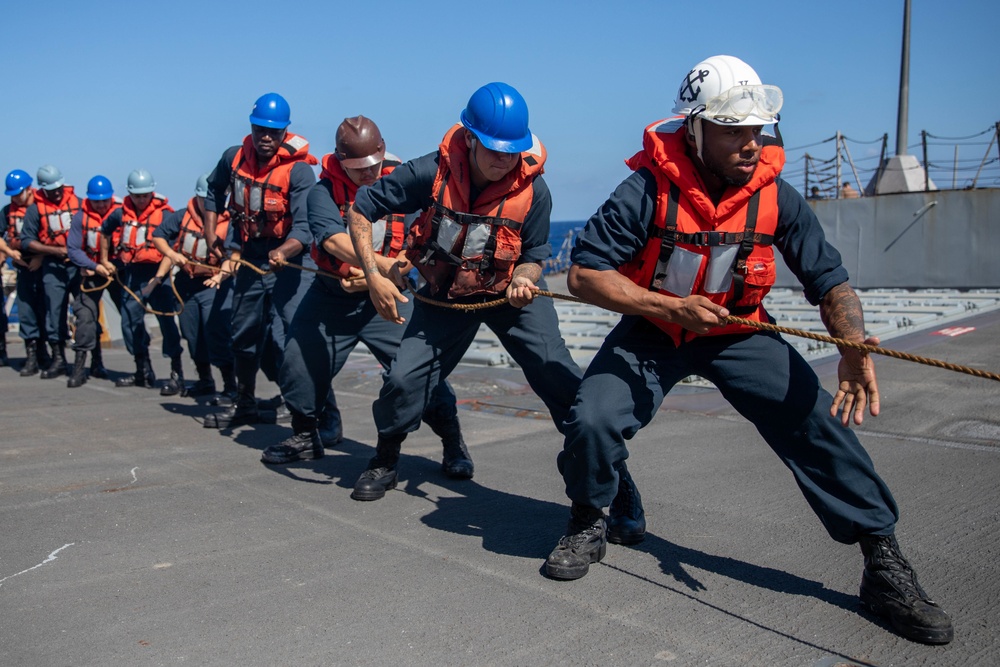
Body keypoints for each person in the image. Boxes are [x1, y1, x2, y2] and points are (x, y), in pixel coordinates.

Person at [543, 55, 953, 646]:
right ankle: (588, 518)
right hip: (655, 329)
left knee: (817, 424)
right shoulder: (645, 190)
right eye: (735, 129)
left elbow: (829, 278)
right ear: (695, 128)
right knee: (592, 418)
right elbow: (584, 274)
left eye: (758, 130)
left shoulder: (775, 196)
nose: (751, 143)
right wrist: (668, 309)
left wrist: (852, 344)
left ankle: (882, 562)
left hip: (738, 330)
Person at [346, 82, 645, 527]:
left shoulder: (534, 191)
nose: (502, 159)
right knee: (403, 380)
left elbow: (536, 255)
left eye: (511, 150)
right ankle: (386, 457)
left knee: (561, 380)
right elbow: (360, 209)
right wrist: (373, 277)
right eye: (493, 148)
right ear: (469, 137)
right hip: (443, 297)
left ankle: (618, 487)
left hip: (509, 298)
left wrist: (525, 279)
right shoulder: (431, 172)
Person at [261, 116, 463, 466]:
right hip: (332, 296)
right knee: (297, 359)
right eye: (357, 170)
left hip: (392, 297)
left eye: (372, 167)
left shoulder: (407, 183)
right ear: (339, 161)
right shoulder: (321, 192)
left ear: (383, 151)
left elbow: (424, 234)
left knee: (420, 372)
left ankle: (452, 442)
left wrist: (391, 271)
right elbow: (332, 239)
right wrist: (375, 271)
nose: (368, 176)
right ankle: (305, 434)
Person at [201, 92, 318, 429]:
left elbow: (305, 228)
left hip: (290, 261)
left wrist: (284, 251)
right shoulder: (232, 158)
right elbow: (213, 192)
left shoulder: (298, 172)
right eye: (260, 130)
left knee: (290, 337)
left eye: (274, 132)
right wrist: (213, 236)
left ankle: (307, 412)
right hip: (251, 258)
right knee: (242, 334)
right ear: (252, 128)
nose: (266, 137)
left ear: (285, 133)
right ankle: (246, 402)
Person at [151, 174, 236, 399]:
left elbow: (234, 255)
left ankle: (230, 385)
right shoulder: (182, 216)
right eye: (204, 198)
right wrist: (171, 254)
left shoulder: (231, 222)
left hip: (215, 285)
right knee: (192, 333)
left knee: (216, 332)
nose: (209, 204)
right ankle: (205, 380)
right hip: (187, 284)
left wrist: (221, 277)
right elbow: (158, 235)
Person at [99, 168, 183, 388]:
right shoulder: (120, 214)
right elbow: (105, 231)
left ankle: (176, 371)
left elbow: (172, 248)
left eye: (145, 195)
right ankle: (142, 371)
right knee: (129, 322)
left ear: (152, 193)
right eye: (137, 195)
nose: (141, 199)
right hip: (134, 275)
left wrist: (158, 277)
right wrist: (105, 259)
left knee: (167, 322)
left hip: (159, 275)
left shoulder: (166, 215)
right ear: (130, 194)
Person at [20, 165, 82, 379]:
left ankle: (93, 360)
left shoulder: (79, 204)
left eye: (58, 188)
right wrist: (55, 250)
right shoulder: (35, 209)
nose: (56, 192)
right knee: (54, 313)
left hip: (78, 266)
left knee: (85, 312)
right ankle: (59, 359)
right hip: (53, 267)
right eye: (51, 189)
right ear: (42, 189)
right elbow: (27, 241)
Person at [64, 175, 121, 387]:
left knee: (131, 317)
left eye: (104, 200)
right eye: (96, 201)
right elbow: (73, 249)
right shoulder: (80, 218)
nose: (101, 205)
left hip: (116, 273)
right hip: (91, 272)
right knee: (85, 317)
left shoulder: (121, 214)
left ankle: (144, 368)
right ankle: (81, 367)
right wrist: (94, 266)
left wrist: (114, 265)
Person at [3, 169, 51, 376]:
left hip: (44, 266)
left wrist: (40, 257)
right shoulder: (7, 211)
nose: (14, 197)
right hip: (23, 267)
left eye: (17, 193)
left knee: (47, 311)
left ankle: (45, 353)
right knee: (26, 312)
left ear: (29, 189)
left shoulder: (43, 209)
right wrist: (10, 253)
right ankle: (31, 355)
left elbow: (51, 237)